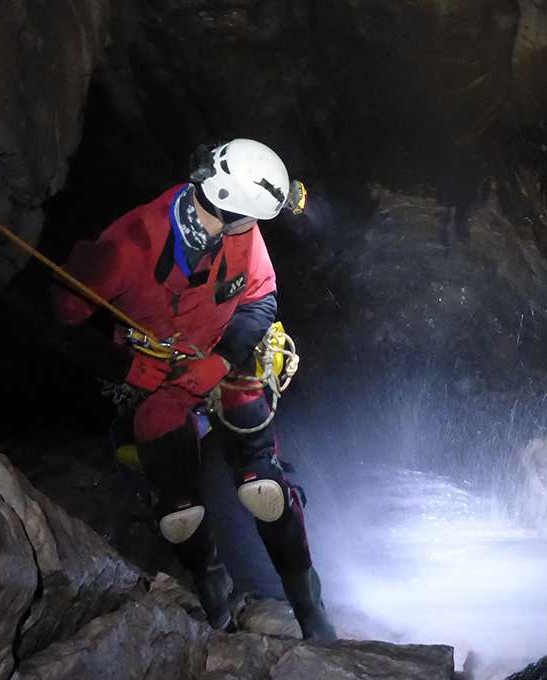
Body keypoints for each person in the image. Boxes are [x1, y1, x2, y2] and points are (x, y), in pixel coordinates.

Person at [51, 139, 335, 640]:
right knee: (179, 512)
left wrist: (222, 360)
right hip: (158, 379)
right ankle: (214, 593)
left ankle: (309, 609)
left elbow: (260, 300)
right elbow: (61, 323)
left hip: (226, 362)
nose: (255, 230)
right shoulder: (128, 246)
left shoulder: (241, 234)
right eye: (250, 220)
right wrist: (123, 366)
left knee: (263, 490)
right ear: (226, 210)